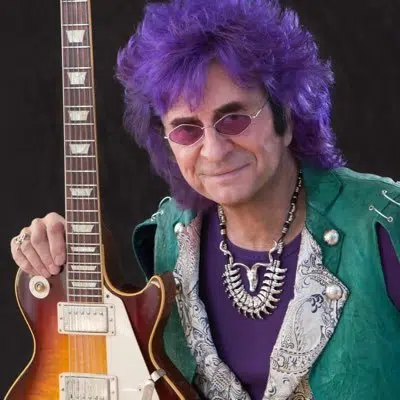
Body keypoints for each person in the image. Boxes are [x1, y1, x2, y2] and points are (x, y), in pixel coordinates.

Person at [10, 0, 400, 399]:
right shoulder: (169, 236)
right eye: (186, 130)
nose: (213, 151)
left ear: (286, 117)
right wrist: (60, 253)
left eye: (234, 119)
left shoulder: (383, 224)